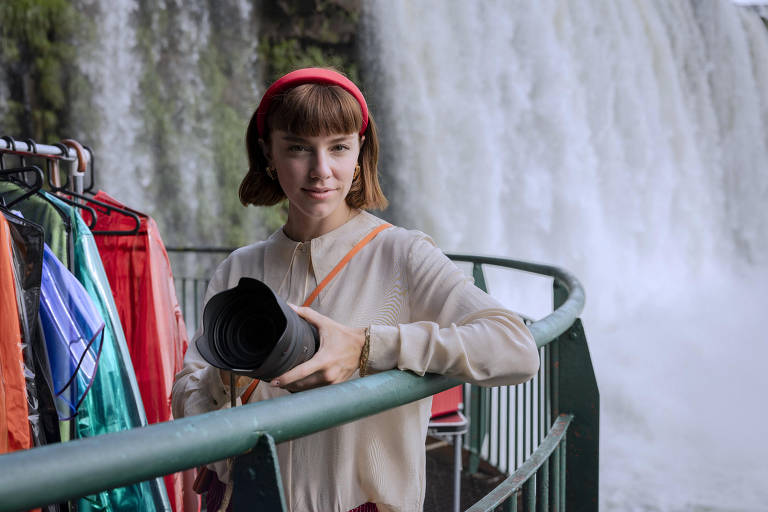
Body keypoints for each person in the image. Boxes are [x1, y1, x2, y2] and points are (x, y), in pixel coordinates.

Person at [171, 68, 539, 512]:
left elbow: (516, 347)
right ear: (268, 152)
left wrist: (367, 348)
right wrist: (222, 378)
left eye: (339, 147)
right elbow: (186, 389)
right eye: (298, 148)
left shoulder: (401, 254)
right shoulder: (239, 267)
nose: (321, 171)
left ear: (360, 151)